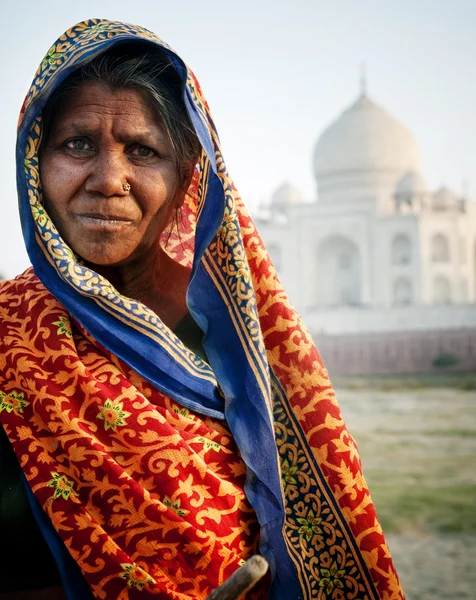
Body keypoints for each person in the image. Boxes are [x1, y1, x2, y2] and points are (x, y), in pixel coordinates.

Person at [0, 19, 405, 600]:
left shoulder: (242, 345)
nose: (108, 179)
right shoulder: (10, 335)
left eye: (142, 150)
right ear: (35, 159)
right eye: (77, 144)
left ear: (189, 174)